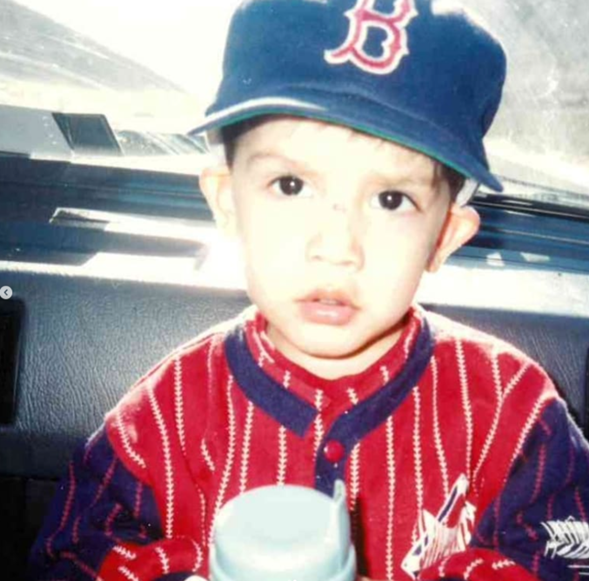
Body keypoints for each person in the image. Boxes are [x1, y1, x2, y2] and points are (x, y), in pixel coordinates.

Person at [28, 0, 589, 580]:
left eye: (391, 199)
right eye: (290, 185)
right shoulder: (167, 412)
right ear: (228, 203)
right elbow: (71, 554)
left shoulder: (512, 410)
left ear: (444, 236)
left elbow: (567, 560)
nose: (336, 246)